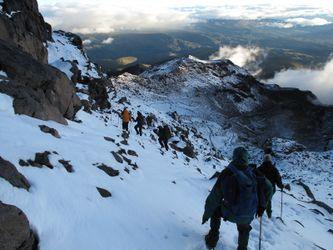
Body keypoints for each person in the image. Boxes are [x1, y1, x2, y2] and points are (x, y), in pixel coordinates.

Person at [202, 147, 272, 250]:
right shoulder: (254, 172)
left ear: (234, 157)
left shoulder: (226, 173)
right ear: (246, 158)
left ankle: (212, 239)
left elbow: (214, 198)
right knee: (244, 228)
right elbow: (269, 188)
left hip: (230, 212)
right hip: (248, 213)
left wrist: (206, 216)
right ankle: (242, 248)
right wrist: (263, 206)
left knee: (216, 210)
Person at [258, 154, 290, 218]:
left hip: (261, 188)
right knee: (268, 200)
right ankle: (269, 215)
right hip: (271, 189)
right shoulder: (274, 169)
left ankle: (259, 213)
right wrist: (282, 186)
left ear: (263, 160)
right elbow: (278, 182)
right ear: (270, 160)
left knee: (261, 199)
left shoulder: (259, 169)